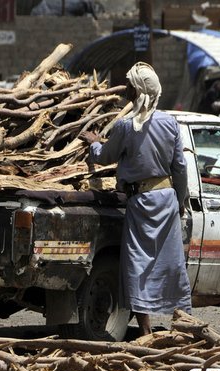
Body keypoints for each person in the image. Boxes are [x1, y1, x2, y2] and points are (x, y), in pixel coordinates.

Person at [82, 62, 191, 336]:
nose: (126, 88)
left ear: (138, 92)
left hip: (141, 203)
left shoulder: (126, 127)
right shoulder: (170, 124)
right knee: (170, 264)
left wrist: (94, 143)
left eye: (130, 85)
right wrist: (179, 203)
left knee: (137, 266)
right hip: (166, 202)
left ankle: (146, 332)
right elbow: (180, 168)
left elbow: (105, 155)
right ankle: (181, 326)